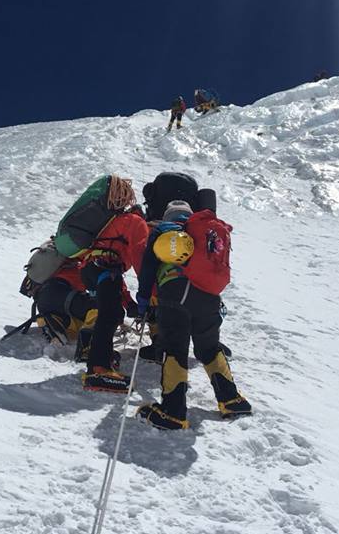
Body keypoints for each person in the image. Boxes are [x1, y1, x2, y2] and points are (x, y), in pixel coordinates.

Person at [135, 200, 251, 429]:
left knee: (174, 349)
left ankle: (172, 412)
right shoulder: (204, 233)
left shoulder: (162, 230)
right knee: (209, 347)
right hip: (208, 297)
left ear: (168, 215)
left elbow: (147, 269)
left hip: (174, 294)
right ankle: (232, 400)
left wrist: (143, 303)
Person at [78, 177, 149, 393]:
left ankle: (101, 357)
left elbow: (117, 279)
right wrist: (148, 294)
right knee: (108, 316)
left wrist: (128, 303)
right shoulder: (136, 223)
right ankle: (99, 368)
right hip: (104, 268)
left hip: (94, 269)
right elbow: (140, 259)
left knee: (112, 311)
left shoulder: (113, 223)